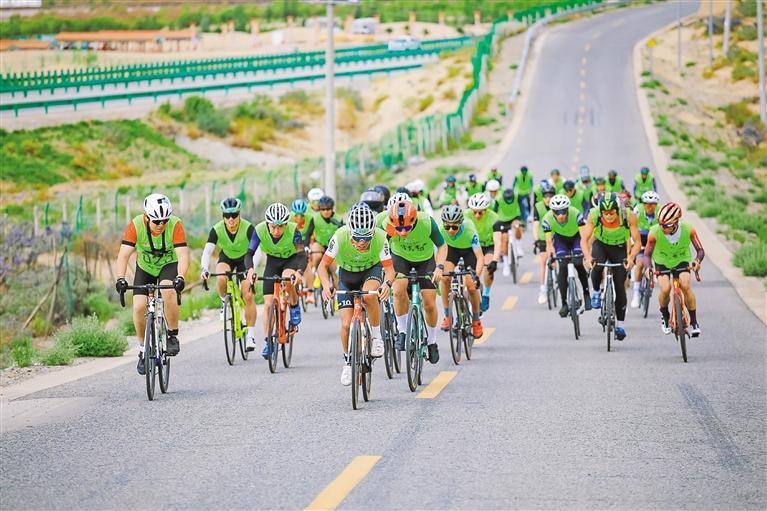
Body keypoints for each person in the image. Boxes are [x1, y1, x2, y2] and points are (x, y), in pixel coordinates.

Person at [318, 206, 394, 386]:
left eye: (366, 238)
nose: (361, 243)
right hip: (347, 276)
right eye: (357, 238)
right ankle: (347, 361)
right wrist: (326, 285)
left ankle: (376, 336)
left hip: (371, 271)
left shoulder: (380, 237)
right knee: (346, 324)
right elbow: (322, 266)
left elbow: (390, 270)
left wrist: (387, 284)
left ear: (372, 233)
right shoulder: (339, 236)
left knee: (369, 296)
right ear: (350, 232)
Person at [115, 194, 188, 375]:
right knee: (139, 307)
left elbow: (183, 255)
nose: (161, 225)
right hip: (145, 267)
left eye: (165, 220)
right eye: (157, 221)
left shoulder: (175, 225)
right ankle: (142, 349)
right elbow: (123, 255)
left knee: (168, 291)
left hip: (168, 265)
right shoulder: (136, 225)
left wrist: (180, 276)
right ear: (147, 217)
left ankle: (172, 335)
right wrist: (120, 278)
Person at [384, 198, 447, 363]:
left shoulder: (427, 222)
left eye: (407, 228)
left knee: (429, 304)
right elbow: (380, 247)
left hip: (425, 261)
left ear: (414, 220)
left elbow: (442, 246)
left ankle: (432, 341)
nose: (402, 232)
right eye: (399, 229)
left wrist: (440, 267)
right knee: (398, 291)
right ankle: (402, 331)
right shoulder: (387, 225)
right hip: (400, 258)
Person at [246, 203, 306, 359]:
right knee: (267, 305)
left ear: (286, 224)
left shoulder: (294, 230)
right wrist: (250, 270)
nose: (276, 231)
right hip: (272, 263)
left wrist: (299, 272)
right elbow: (249, 254)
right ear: (267, 224)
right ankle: (268, 341)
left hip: (291, 261)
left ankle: (294, 305)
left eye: (280, 227)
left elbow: (302, 255)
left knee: (287, 280)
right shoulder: (259, 230)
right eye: (273, 227)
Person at [200, 197, 258, 351]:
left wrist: (252, 270)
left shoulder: (248, 227)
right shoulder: (217, 229)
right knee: (221, 277)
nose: (231, 219)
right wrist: (204, 269)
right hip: (226, 258)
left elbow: (257, 250)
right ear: (223, 216)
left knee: (248, 295)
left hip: (245, 259)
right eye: (227, 215)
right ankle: (224, 302)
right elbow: (207, 252)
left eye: (234, 215)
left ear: (239, 214)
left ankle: (251, 335)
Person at [581, 193, 641, 341]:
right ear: (600, 211)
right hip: (601, 245)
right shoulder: (594, 214)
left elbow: (637, 242)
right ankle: (596, 291)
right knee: (596, 267)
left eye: (612, 213)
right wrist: (588, 257)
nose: (608, 216)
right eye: (605, 213)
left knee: (619, 285)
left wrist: (631, 258)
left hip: (619, 247)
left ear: (618, 210)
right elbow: (584, 239)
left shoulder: (629, 215)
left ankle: (620, 325)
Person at [643, 202, 704, 336]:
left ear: (676, 222)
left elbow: (700, 250)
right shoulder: (654, 232)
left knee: (685, 285)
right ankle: (665, 315)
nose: (662, 227)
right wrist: (648, 268)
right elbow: (646, 255)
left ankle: (694, 322)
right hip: (662, 261)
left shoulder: (688, 229)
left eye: (666, 225)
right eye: (660, 224)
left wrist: (697, 261)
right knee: (665, 288)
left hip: (681, 259)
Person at [438, 205, 485, 338]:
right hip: (451, 250)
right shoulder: (441, 230)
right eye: (447, 226)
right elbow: (438, 254)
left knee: (471, 286)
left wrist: (476, 276)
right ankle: (447, 316)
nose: (450, 230)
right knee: (445, 278)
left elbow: (480, 257)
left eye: (454, 227)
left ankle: (476, 321)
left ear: (460, 223)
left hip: (469, 251)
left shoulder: (469, 230)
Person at [542, 195, 591, 317]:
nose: (560, 216)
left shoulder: (576, 214)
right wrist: (551, 257)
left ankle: (586, 294)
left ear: (568, 209)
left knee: (578, 263)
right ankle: (564, 303)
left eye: (563, 211)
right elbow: (549, 242)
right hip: (561, 241)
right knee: (563, 266)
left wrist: (586, 255)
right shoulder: (547, 219)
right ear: (552, 211)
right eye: (557, 212)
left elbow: (584, 236)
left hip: (576, 238)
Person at [465, 193, 502, 312]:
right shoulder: (465, 216)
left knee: (488, 266)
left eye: (480, 212)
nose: (477, 215)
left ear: (486, 210)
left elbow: (498, 242)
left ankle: (486, 294)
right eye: (474, 212)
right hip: (472, 246)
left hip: (488, 246)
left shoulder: (494, 218)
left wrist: (495, 260)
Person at [306, 195, 344, 293]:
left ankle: (337, 297)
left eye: (328, 209)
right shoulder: (315, 218)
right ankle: (317, 274)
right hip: (320, 244)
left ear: (332, 208)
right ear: (319, 209)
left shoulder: (338, 219)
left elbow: (343, 234)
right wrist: (306, 246)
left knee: (335, 272)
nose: (326, 211)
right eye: (323, 209)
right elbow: (308, 234)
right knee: (316, 254)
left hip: (333, 247)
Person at [630, 191, 660, 308]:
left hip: (655, 239)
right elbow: (631, 226)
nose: (650, 207)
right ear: (643, 204)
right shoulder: (637, 210)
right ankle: (636, 293)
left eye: (653, 204)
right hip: (641, 239)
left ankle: (655, 273)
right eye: (647, 204)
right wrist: (632, 243)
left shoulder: (660, 211)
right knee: (640, 264)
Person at [533, 181, 556, 304]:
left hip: (555, 237)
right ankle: (542, 289)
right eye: (546, 196)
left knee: (555, 259)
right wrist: (536, 239)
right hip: (543, 237)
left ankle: (555, 278)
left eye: (550, 196)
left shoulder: (557, 205)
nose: (548, 199)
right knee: (543, 261)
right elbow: (535, 225)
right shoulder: (538, 206)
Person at [493, 187, 524, 277]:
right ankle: (506, 264)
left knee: (518, 226)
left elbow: (522, 208)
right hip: (503, 220)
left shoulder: (517, 196)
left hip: (515, 217)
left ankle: (518, 247)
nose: (509, 201)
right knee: (504, 239)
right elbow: (494, 212)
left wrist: (523, 220)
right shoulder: (498, 199)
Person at [291, 198, 315, 304]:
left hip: (305, 241)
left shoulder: (310, 219)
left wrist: (307, 246)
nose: (299, 218)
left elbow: (309, 234)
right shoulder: (289, 219)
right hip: (293, 242)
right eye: (296, 215)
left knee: (307, 265)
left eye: (301, 215)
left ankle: (310, 292)